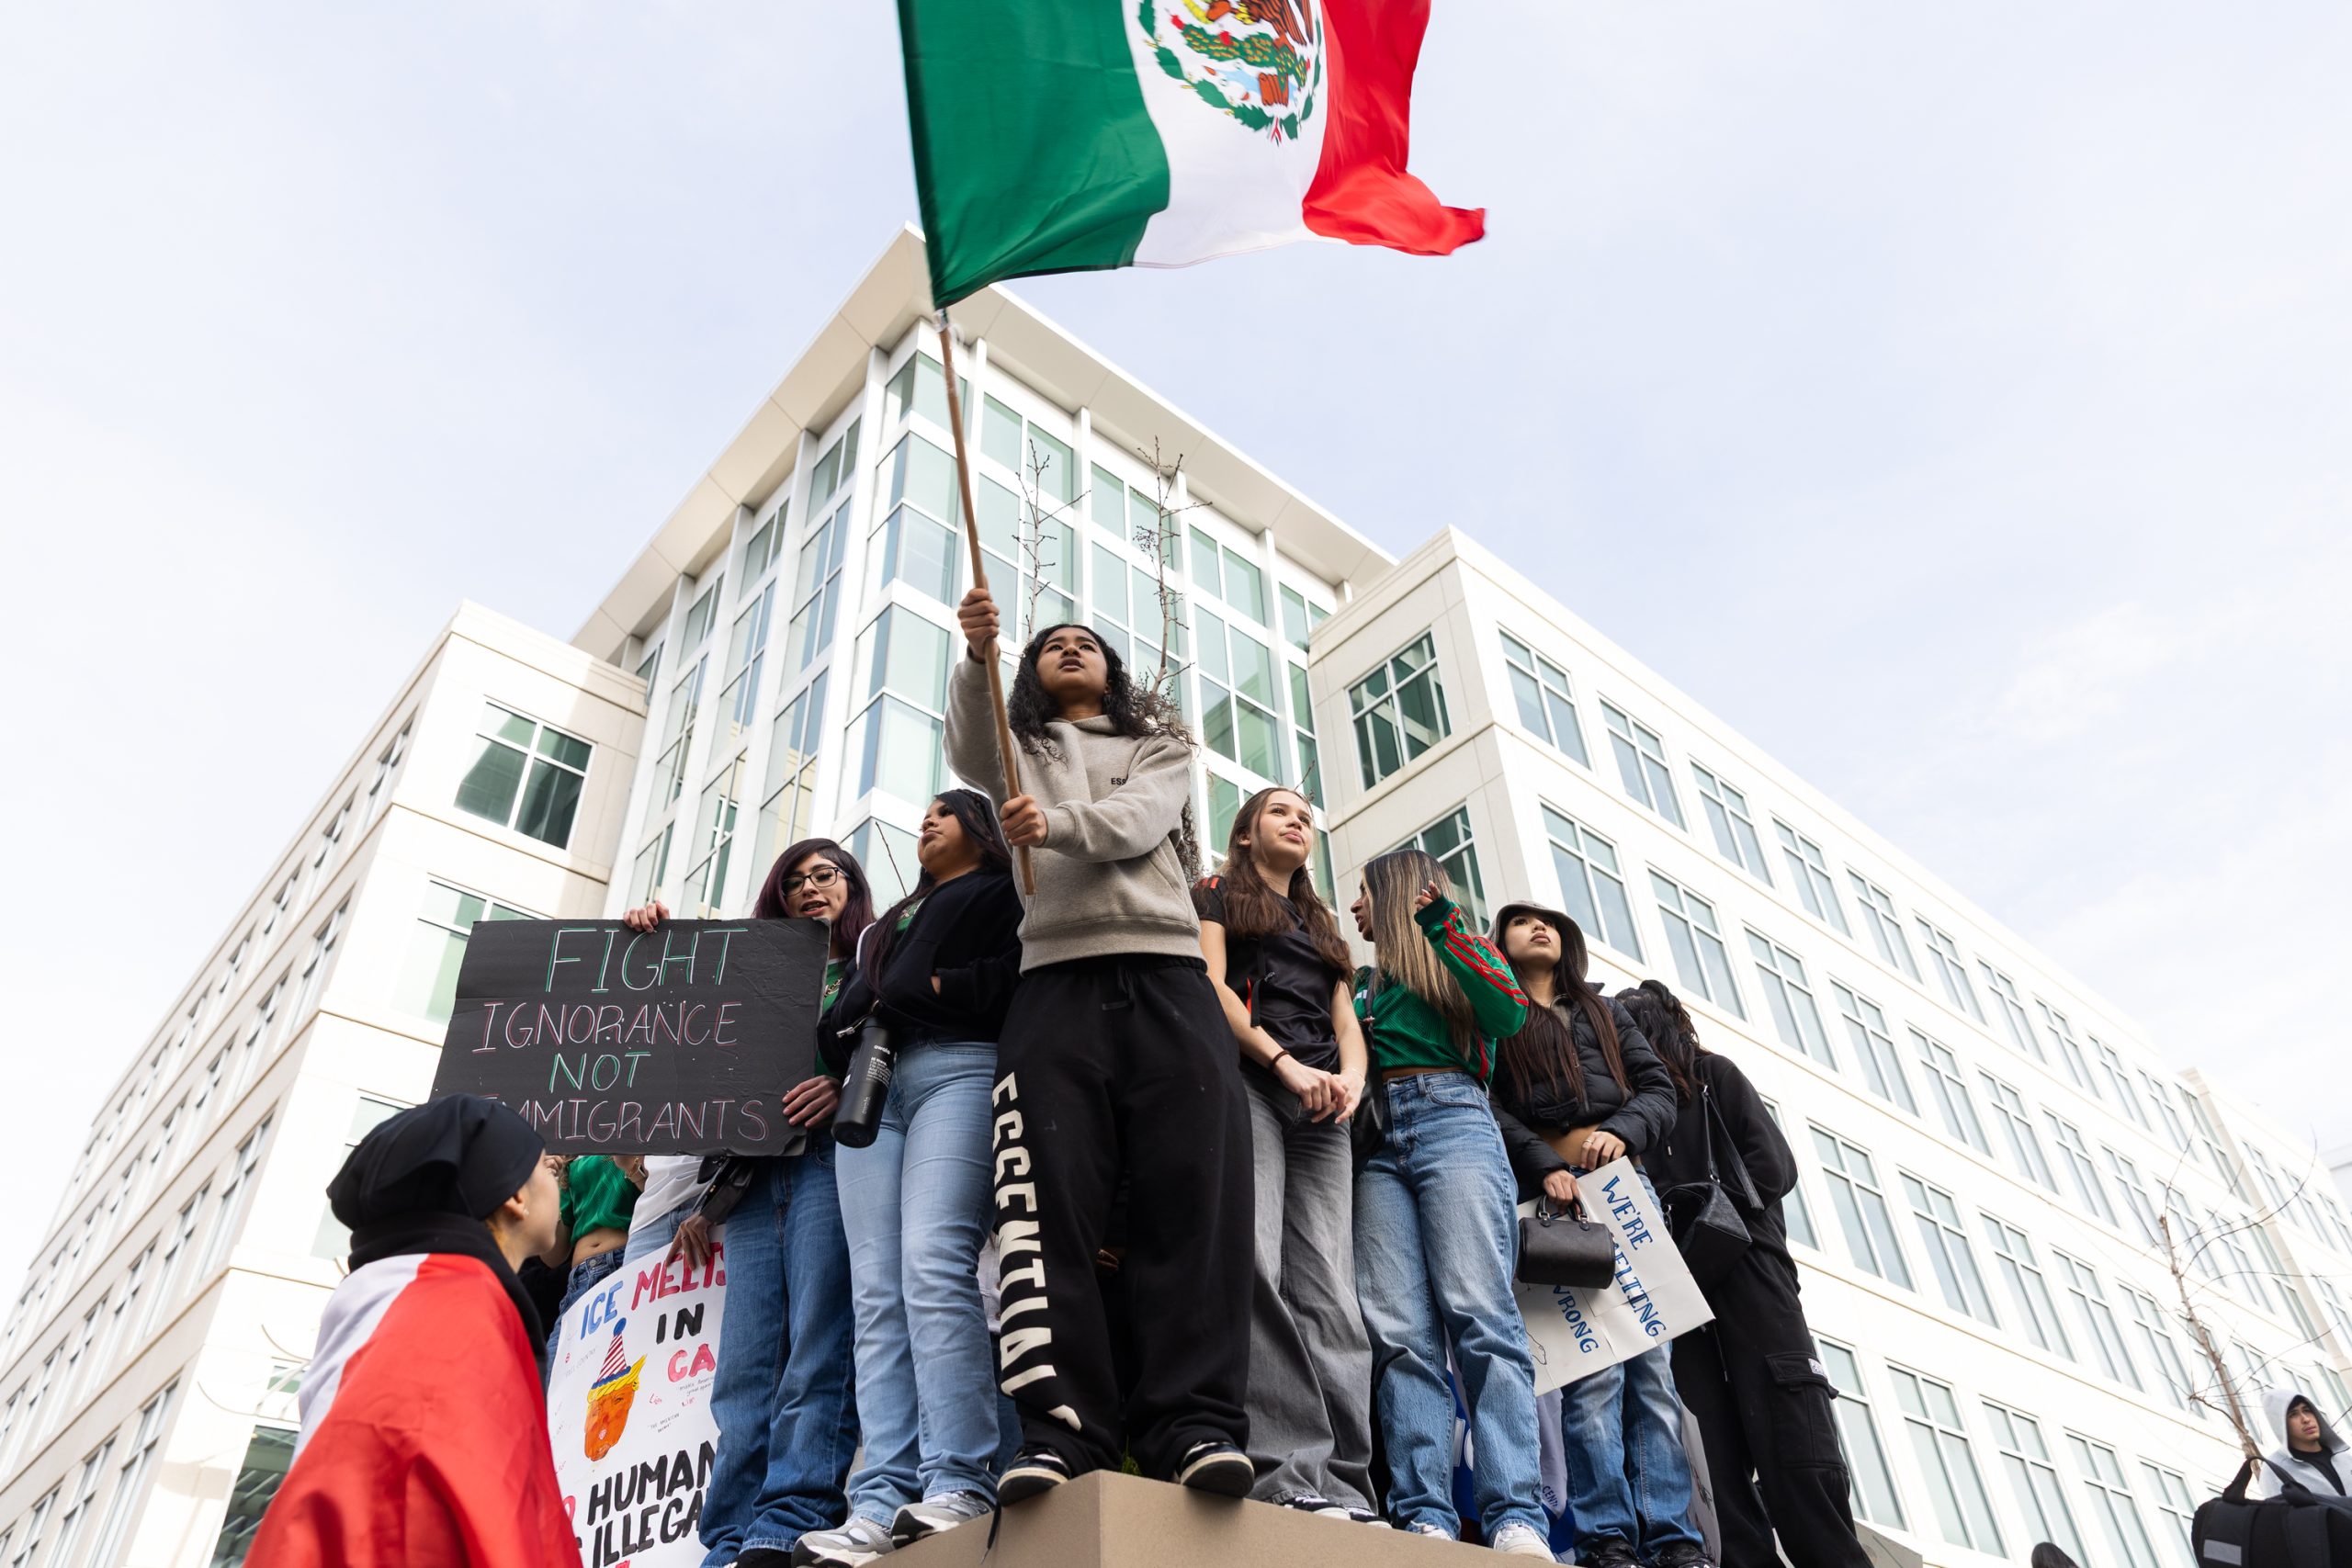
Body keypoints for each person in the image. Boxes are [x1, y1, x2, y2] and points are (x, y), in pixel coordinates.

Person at [945, 587, 1255, 1503]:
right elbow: (968, 747)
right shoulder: (1016, 747)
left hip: (1165, 976)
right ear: (1032, 673)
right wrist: (976, 658)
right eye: (1054, 643)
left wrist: (1058, 827)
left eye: (1089, 641)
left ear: (1112, 672)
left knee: (1194, 1199)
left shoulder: (1158, 747)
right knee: (1046, 1210)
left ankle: (1194, 1425)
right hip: (1052, 985)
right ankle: (1060, 1432)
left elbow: (1138, 822)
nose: (1073, 647)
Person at [793, 791, 1025, 1566]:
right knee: (876, 1289)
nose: (925, 823)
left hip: (960, 1071)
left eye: (944, 812)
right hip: (873, 1092)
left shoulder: (1005, 888)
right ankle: (881, 1496)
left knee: (933, 1261)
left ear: (980, 828)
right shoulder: (889, 920)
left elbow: (1011, 977)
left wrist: (927, 991)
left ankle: (961, 1477)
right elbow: (843, 1022)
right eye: (921, 814)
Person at [622, 840, 868, 1568]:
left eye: (826, 874)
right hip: (752, 1187)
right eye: (794, 880)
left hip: (829, 1165)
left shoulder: (874, 964)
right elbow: (680, 1032)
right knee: (745, 1368)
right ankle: (727, 1538)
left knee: (818, 1346)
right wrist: (651, 939)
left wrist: (842, 1084)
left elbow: (899, 1044)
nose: (810, 888)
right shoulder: (751, 979)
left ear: (851, 886)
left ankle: (787, 1519)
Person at [249, 1096, 580, 1568]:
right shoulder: (454, 1308)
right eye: (547, 1169)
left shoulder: (400, 1301)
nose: (557, 1181)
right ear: (516, 1198)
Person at [1487, 907, 1709, 1568]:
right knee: (1591, 1378)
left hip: (1627, 1195)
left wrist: (1626, 1131)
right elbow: (1490, 1106)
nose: (1538, 928)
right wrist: (1546, 1162)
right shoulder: (1496, 1015)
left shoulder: (1608, 1012)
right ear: (1499, 942)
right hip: (1557, 1208)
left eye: (1547, 921)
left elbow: (1660, 1089)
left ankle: (1675, 1539)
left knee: (1655, 1378)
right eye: (1520, 922)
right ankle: (1606, 1538)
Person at [1623, 978, 1871, 1568]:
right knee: (1710, 1460)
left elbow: (1773, 1166)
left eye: (1631, 1025)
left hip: (1750, 1266)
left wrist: (1706, 1213)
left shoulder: (1714, 1078)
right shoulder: (1631, 1114)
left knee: (1792, 1440)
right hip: (1677, 1287)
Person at [1347, 852, 1551, 1557]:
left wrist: (1444, 926)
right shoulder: (1363, 984)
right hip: (1377, 1141)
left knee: (1481, 1317)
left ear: (1396, 893)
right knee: (1400, 1332)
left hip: (1452, 1118)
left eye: (1364, 894)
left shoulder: (1452, 949)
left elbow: (1508, 1011)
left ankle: (1516, 1515)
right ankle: (1423, 1512)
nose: (1354, 909)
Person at [1195, 786, 1380, 1524]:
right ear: (1245, 834)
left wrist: (1352, 1082)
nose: (1298, 821)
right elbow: (1210, 985)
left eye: (1306, 815)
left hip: (1325, 1107)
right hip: (1253, 1084)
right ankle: (1285, 1467)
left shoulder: (1320, 919)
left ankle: (1348, 1485)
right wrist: (1284, 1065)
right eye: (1280, 811)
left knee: (1331, 1295)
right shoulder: (1214, 892)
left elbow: (1345, 1017)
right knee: (1258, 1268)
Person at [543, 1154, 644, 1371]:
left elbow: (665, 1192)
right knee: (552, 1379)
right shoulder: (570, 1156)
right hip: (580, 1280)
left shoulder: (637, 1129)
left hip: (627, 1265)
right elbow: (553, 1256)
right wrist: (546, 1193)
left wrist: (632, 1168)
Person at [2256, 1386, 2350, 1496]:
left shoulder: (2345, 1458)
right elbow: (2277, 1512)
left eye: (2307, 1410)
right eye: (2293, 1414)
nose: (2306, 1419)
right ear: (2280, 1423)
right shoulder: (2275, 1469)